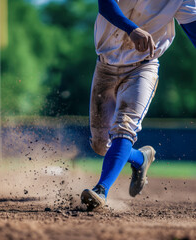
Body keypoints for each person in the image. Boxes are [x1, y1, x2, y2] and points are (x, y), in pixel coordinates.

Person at [81, 0, 196, 210]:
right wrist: (132, 29)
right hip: (105, 65)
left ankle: (101, 190)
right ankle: (140, 158)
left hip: (143, 67)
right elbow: (105, 5)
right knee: (100, 145)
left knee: (125, 126)